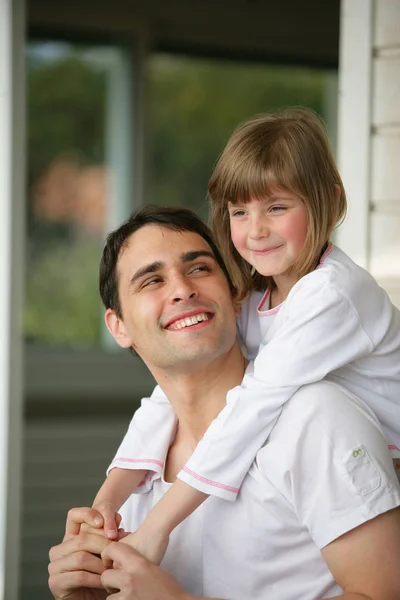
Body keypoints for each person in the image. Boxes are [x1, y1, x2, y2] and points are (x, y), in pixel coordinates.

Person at [91, 108, 400, 564]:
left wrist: (159, 523)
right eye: (239, 212)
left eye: (277, 207)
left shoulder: (333, 293)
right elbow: (164, 401)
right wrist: (108, 500)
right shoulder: (259, 296)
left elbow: (254, 405)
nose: (256, 231)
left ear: (330, 203)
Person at [48, 205, 400, 600]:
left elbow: (383, 594)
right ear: (119, 326)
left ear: (236, 297)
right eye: (152, 281)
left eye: (199, 268)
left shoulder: (317, 419)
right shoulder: (137, 472)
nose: (182, 289)